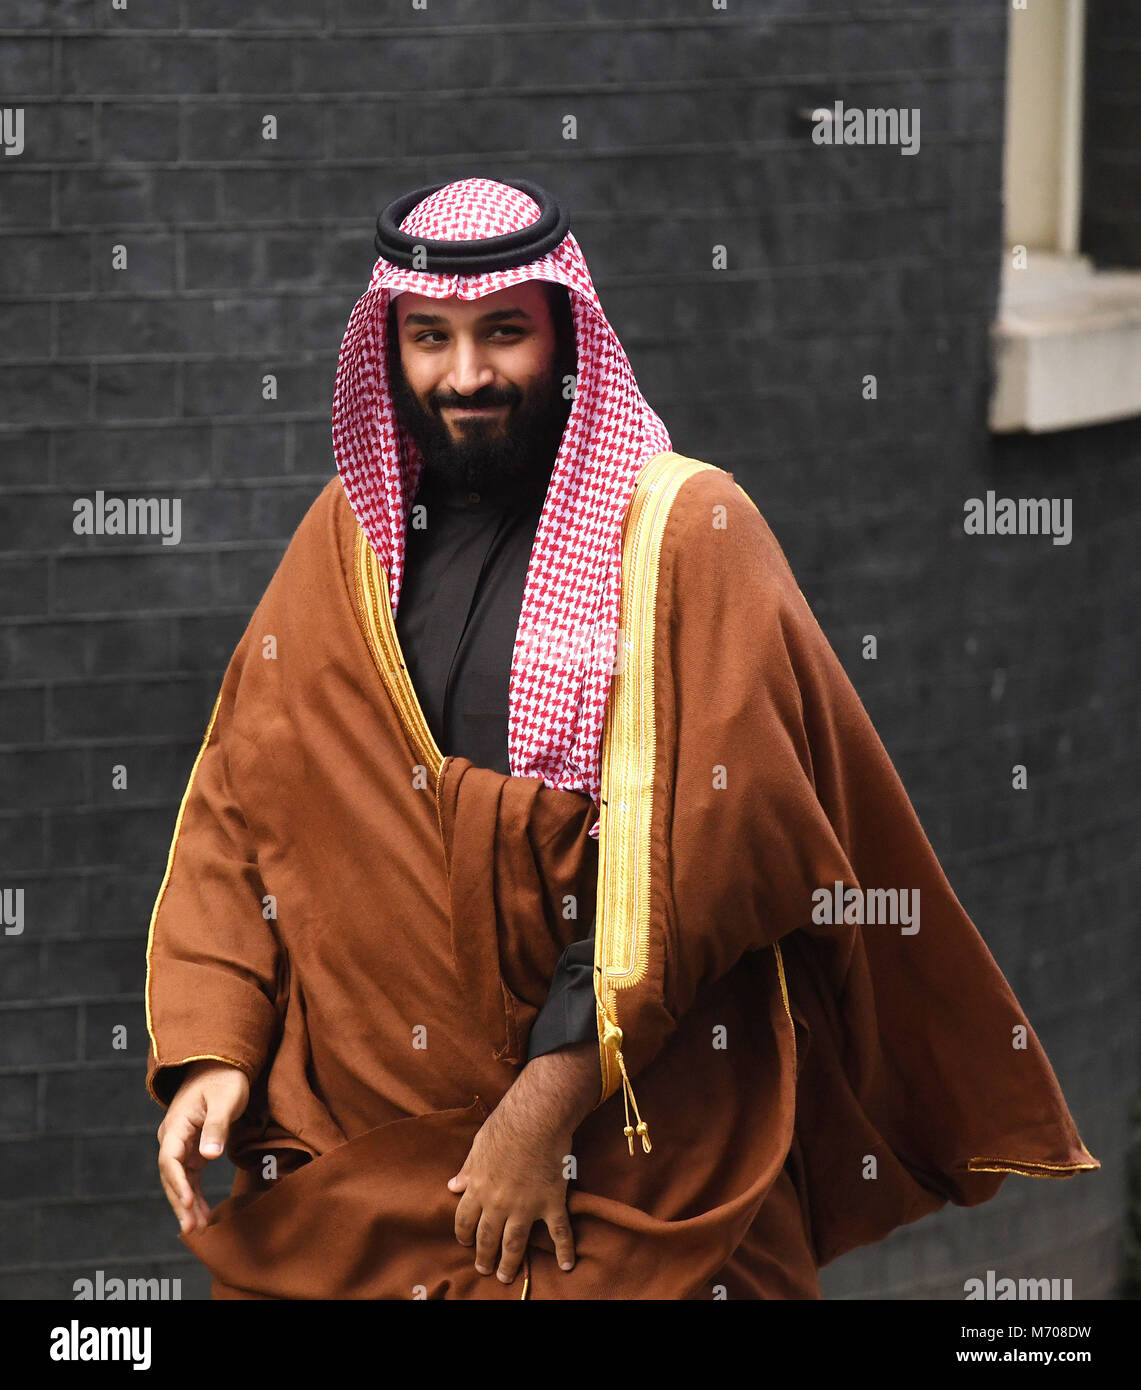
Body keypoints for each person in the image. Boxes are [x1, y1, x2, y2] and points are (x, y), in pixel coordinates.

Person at [146, 177, 1098, 1301]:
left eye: (503, 332)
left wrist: (540, 1112)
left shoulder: (688, 535)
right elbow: (241, 799)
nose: (464, 376)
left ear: (562, 333)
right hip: (359, 1148)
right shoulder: (344, 539)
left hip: (631, 1152)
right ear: (387, 346)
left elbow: (710, 858)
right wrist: (216, 1042)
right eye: (429, 339)